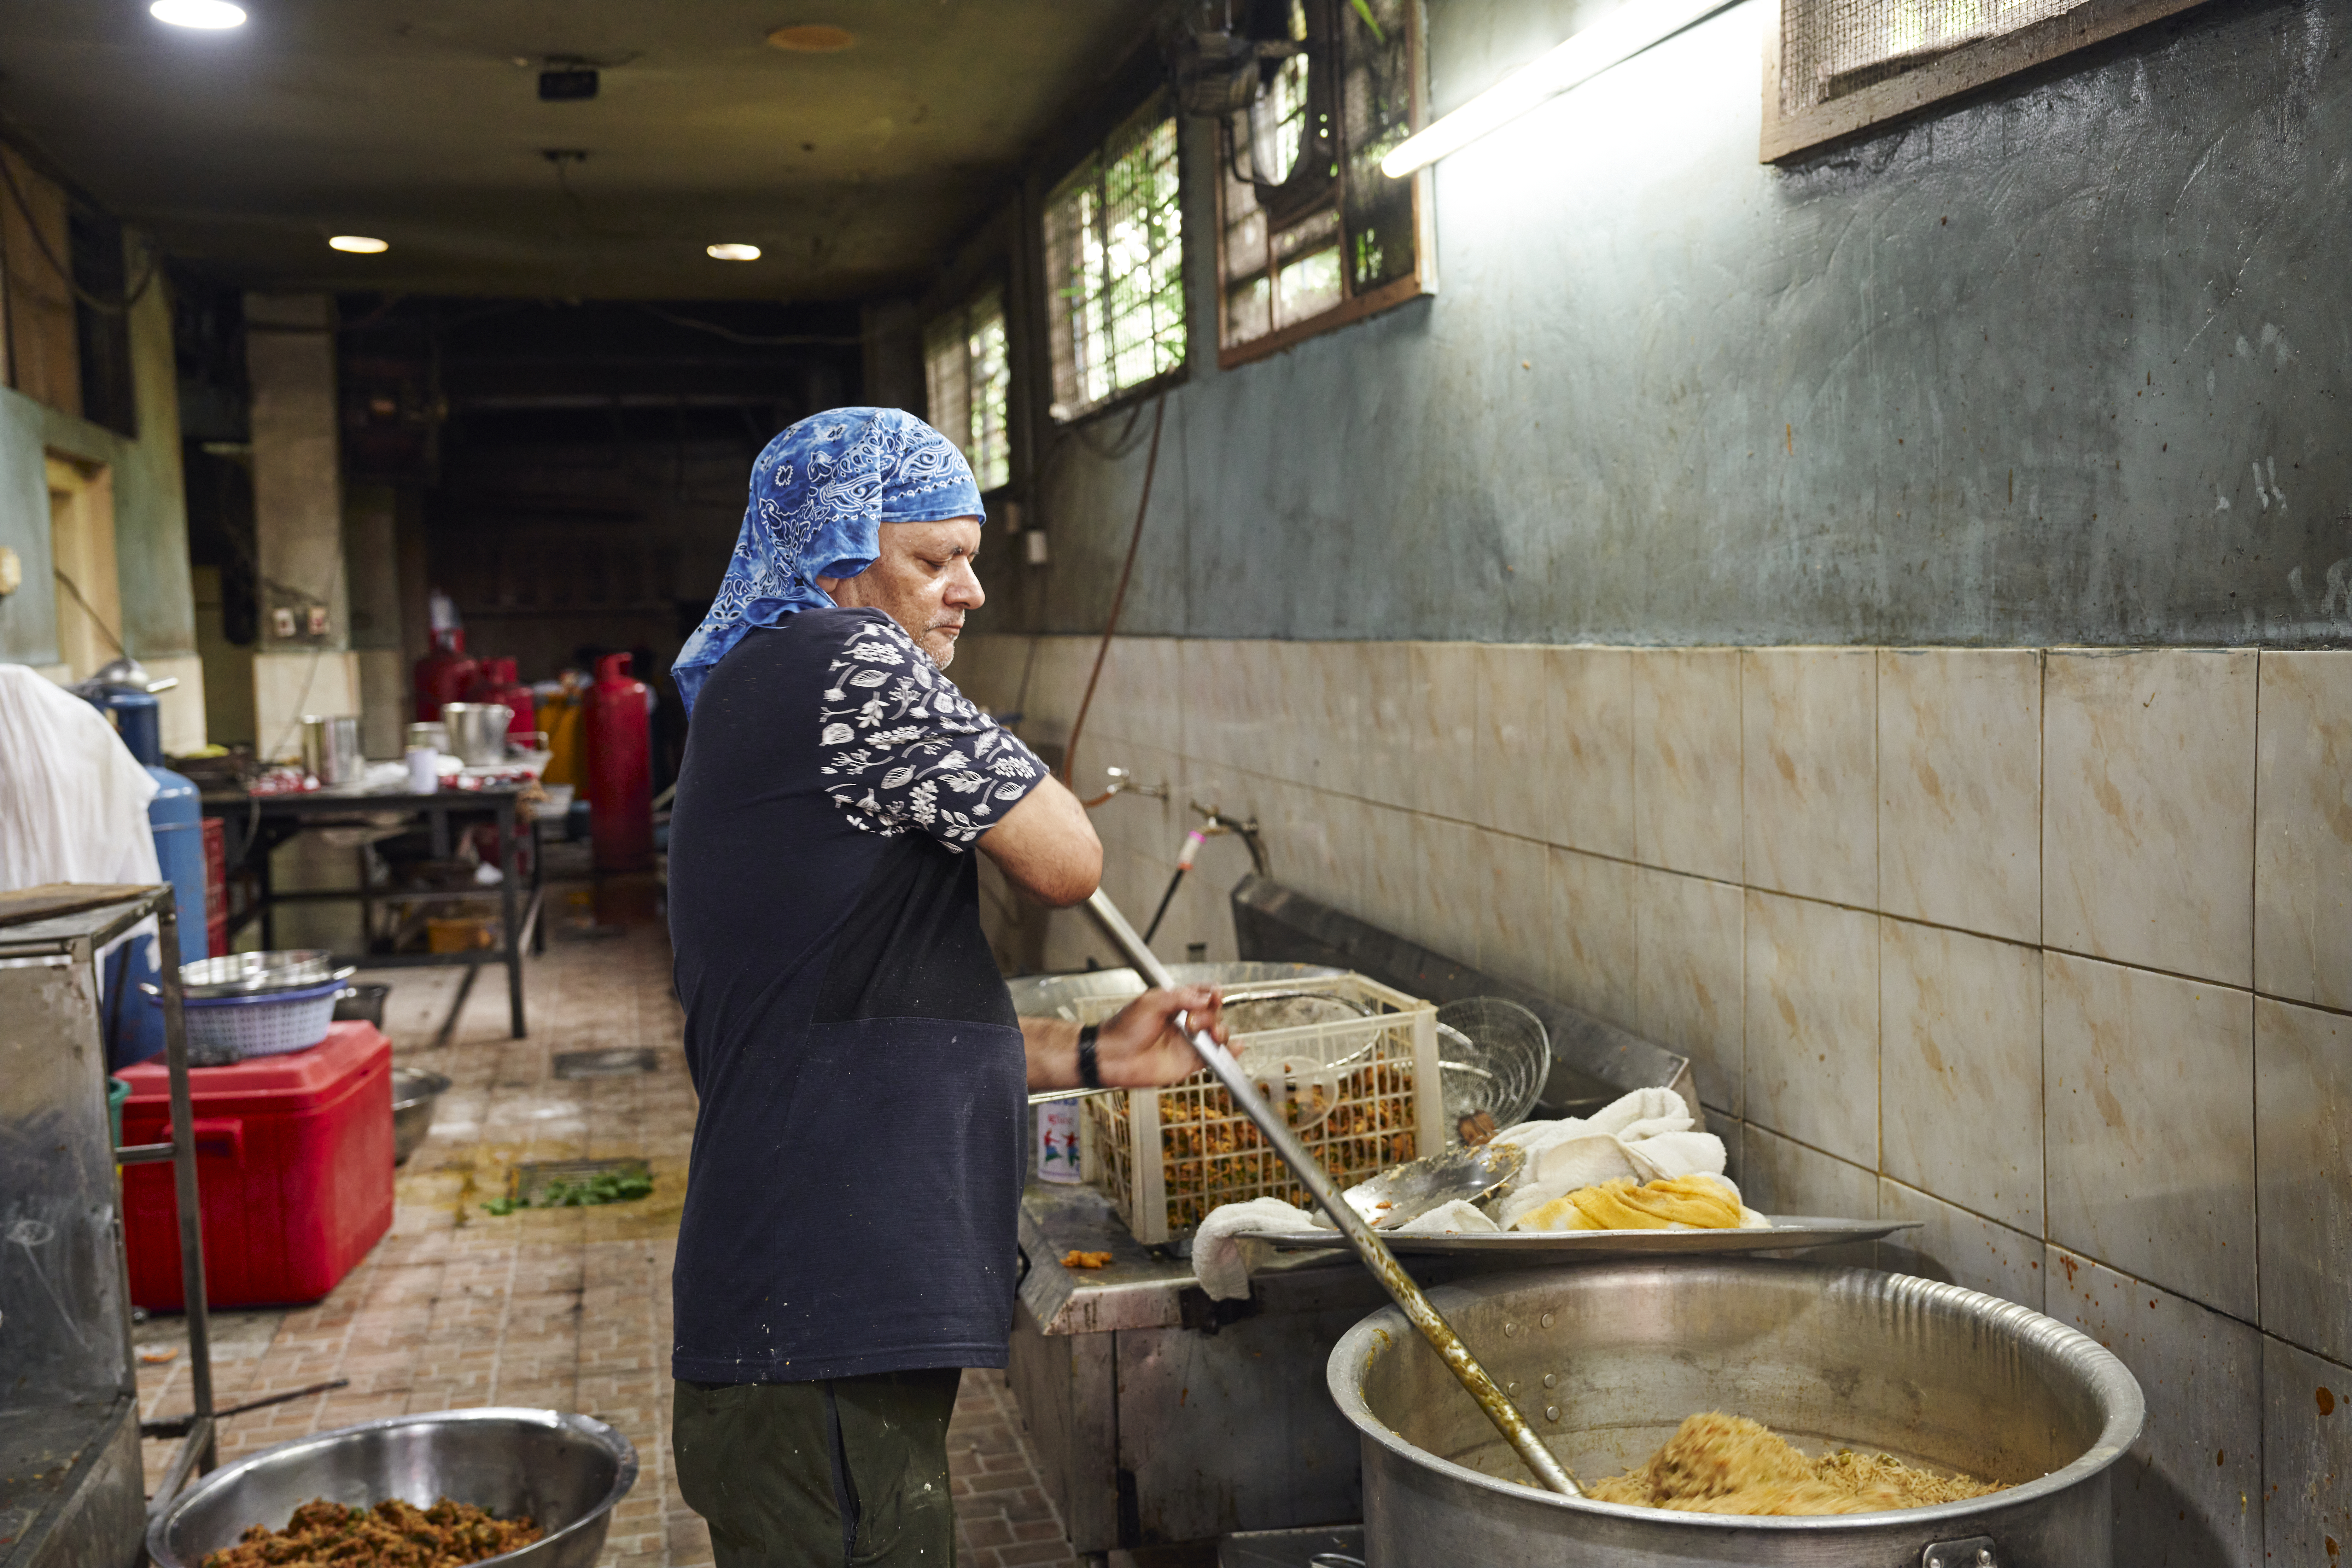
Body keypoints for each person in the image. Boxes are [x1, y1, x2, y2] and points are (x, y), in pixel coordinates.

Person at [664, 408, 1223, 1567]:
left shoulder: (772, 691)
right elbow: (1070, 859)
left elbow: (868, 1018)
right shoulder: (841, 656)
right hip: (813, 1321)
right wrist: (962, 722)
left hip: (807, 1320)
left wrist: (1091, 1056)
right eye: (932, 560)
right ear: (833, 556)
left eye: (971, 556)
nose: (966, 591)